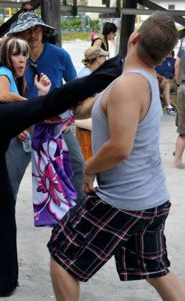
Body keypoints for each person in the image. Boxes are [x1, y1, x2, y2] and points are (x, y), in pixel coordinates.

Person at [0, 35, 122, 297]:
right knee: (53, 101)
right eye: (16, 54)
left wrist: (36, 110)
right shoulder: (1, 73)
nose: (22, 58)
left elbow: (25, 115)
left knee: (5, 206)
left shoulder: (22, 85)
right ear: (5, 56)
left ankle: (2, 283)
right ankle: (113, 69)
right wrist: (39, 105)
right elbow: (2, 97)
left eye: (24, 54)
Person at [48, 12, 185, 301]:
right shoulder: (142, 78)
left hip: (124, 201)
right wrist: (63, 105)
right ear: (163, 56)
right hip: (152, 199)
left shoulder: (128, 85)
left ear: (133, 39)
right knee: (156, 270)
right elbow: (100, 104)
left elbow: (120, 148)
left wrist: (88, 168)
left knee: (63, 258)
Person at [7, 12, 85, 204]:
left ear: (42, 31)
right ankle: (1, 218)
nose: (32, 35)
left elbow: (74, 90)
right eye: (26, 31)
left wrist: (70, 118)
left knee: (78, 165)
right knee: (9, 173)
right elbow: (3, 95)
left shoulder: (59, 55)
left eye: (36, 29)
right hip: (23, 123)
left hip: (56, 122)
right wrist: (14, 125)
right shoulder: (11, 59)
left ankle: (80, 216)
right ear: (19, 34)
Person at [75, 46, 109, 160]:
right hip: (85, 122)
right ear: (98, 58)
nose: (106, 60)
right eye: (105, 57)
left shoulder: (89, 73)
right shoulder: (87, 76)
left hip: (86, 120)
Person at [173, 38, 185, 169]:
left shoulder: (184, 41)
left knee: (183, 128)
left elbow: (177, 65)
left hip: (183, 87)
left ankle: (177, 159)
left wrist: (178, 83)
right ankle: (177, 161)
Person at [155, 51, 176, 116]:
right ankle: (169, 107)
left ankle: (168, 106)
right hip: (159, 81)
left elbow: (178, 71)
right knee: (166, 83)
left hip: (172, 81)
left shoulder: (174, 61)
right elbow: (153, 72)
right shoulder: (157, 62)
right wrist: (162, 78)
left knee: (167, 83)